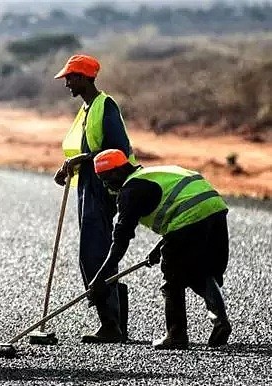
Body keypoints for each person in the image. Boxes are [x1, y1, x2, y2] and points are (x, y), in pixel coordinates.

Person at [87, 149, 231, 349]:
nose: (105, 185)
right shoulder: (150, 175)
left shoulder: (130, 191)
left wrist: (100, 278)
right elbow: (176, 203)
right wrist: (160, 246)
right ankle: (220, 322)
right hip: (215, 209)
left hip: (189, 218)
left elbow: (120, 240)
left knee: (172, 278)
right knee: (201, 272)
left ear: (117, 172)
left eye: (105, 179)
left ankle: (176, 335)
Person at [53, 54, 136, 343]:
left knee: (93, 253)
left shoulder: (105, 106)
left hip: (103, 187)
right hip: (87, 185)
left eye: (71, 78)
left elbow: (117, 151)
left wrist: (80, 160)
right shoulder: (86, 109)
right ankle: (113, 322)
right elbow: (82, 150)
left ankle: (111, 324)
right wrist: (70, 166)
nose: (67, 84)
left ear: (86, 78)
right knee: (94, 251)